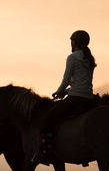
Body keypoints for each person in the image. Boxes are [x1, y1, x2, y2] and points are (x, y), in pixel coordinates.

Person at [40, 30, 96, 161]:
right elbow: (80, 83)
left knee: (47, 120)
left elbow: (66, 81)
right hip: (89, 99)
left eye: (71, 41)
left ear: (75, 42)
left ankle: (47, 150)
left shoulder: (72, 57)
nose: (70, 43)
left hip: (76, 99)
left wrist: (58, 92)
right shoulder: (89, 58)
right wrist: (64, 93)